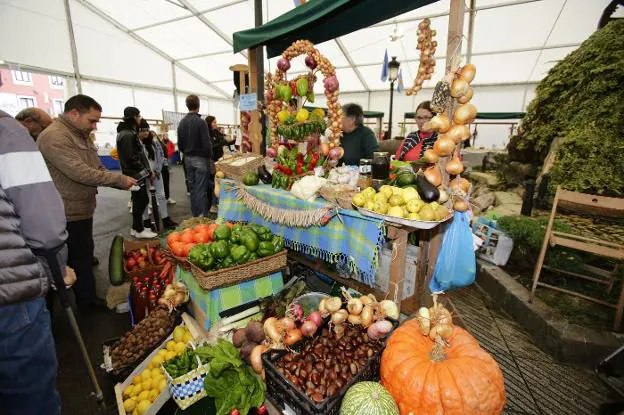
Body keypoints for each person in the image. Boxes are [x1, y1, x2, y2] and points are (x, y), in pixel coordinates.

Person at [0, 109, 71, 415]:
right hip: (10, 291)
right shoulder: (7, 132)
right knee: (30, 400)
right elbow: (43, 223)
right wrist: (57, 268)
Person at [38, 95, 136, 307]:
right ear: (74, 114)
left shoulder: (79, 135)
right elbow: (81, 172)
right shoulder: (54, 137)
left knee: (81, 258)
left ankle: (84, 300)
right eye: (92, 120)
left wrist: (116, 180)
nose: (94, 126)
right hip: (63, 212)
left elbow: (96, 166)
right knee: (64, 263)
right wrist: (118, 179)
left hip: (80, 209)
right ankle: (73, 308)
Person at [116, 107, 157, 239]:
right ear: (134, 117)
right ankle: (139, 229)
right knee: (141, 200)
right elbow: (132, 158)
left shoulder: (125, 133)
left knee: (138, 200)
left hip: (133, 173)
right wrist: (146, 171)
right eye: (139, 116)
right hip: (135, 174)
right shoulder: (128, 134)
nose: (140, 119)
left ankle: (136, 227)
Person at [177, 95, 213, 217]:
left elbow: (180, 144)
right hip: (200, 159)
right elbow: (207, 143)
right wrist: (209, 157)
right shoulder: (201, 122)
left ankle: (195, 215)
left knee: (192, 189)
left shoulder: (182, 122)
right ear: (198, 105)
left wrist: (186, 153)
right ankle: (201, 216)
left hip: (187, 158)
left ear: (187, 106)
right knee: (201, 189)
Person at [140, 123, 178, 229]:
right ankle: (146, 222)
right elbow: (137, 160)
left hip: (156, 174)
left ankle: (165, 219)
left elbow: (161, 156)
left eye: (147, 130)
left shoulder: (155, 143)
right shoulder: (137, 144)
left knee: (161, 195)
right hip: (143, 175)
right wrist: (147, 173)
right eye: (143, 130)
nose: (146, 133)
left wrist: (157, 171)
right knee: (144, 198)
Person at [159, 133, 176, 204]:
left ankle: (167, 197)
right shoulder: (158, 144)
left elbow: (173, 147)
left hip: (164, 166)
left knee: (165, 182)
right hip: (157, 169)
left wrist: (171, 153)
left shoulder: (167, 143)